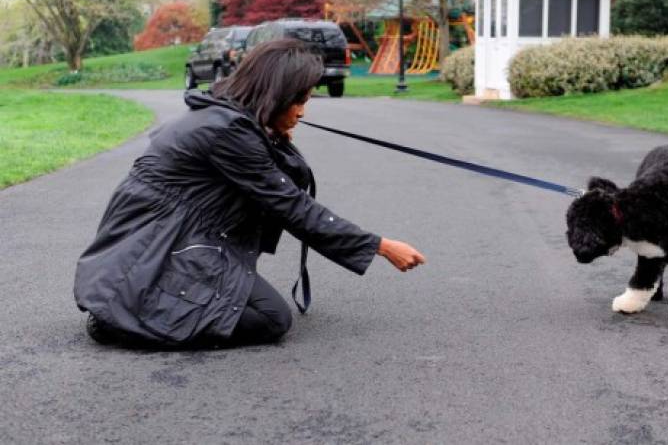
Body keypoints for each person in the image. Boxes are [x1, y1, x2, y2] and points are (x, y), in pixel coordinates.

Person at [74, 39, 426, 348]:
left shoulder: (230, 118)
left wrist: (274, 139)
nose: (302, 111)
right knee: (272, 319)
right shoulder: (226, 131)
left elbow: (279, 187)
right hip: (158, 246)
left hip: (171, 239)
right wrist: (379, 245)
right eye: (297, 100)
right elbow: (290, 205)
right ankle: (118, 319)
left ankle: (125, 307)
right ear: (274, 94)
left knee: (262, 314)